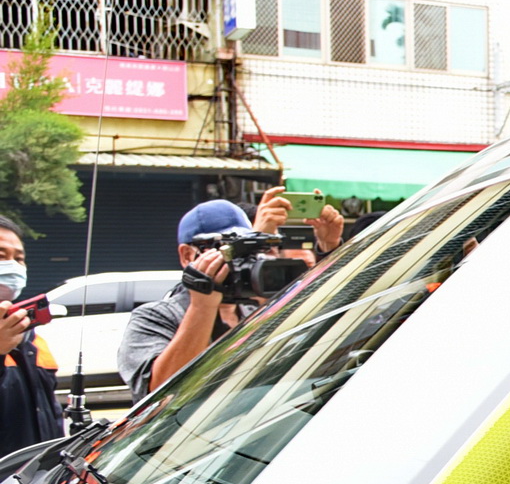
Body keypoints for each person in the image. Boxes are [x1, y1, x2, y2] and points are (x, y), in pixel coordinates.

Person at [117, 187, 343, 399]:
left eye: (247, 250)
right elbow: (161, 394)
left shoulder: (255, 310)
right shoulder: (155, 317)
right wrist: (203, 305)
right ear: (187, 255)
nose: (238, 260)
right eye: (228, 249)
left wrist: (329, 248)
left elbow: (326, 319)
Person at [0, 214, 63, 454]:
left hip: (37, 474)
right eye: (1, 256)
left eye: (19, 259)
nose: (13, 266)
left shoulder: (29, 336)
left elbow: (49, 415)